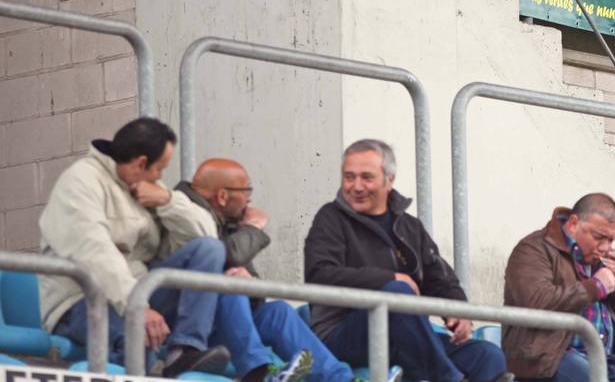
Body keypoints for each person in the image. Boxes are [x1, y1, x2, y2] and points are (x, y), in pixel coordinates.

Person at [38, 118, 246, 378]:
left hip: (138, 293)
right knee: (137, 343)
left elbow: (207, 236)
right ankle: (156, 369)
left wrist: (168, 201)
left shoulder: (147, 188)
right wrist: (137, 306)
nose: (160, 177)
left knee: (209, 250)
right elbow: (95, 252)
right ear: (140, 164)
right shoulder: (81, 181)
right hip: (83, 302)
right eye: (160, 169)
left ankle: (184, 353)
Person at [304, 139, 507, 382]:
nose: (356, 186)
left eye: (366, 177)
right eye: (349, 177)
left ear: (389, 180)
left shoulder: (410, 226)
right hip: (342, 334)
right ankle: (448, 379)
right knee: (396, 292)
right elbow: (320, 273)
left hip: (404, 339)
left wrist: (458, 309)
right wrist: (388, 280)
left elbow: (439, 276)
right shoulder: (330, 218)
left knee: (487, 355)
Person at [177, 158, 373, 382]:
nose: (250, 198)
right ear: (222, 196)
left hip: (225, 321)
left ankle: (341, 380)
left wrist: (249, 283)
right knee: (232, 286)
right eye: (246, 190)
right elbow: (228, 256)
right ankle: (259, 374)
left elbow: (252, 293)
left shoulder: (229, 222)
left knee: (278, 311)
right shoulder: (187, 214)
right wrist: (253, 228)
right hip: (193, 325)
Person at [502, 194, 615, 382]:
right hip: (550, 360)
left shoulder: (599, 259)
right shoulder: (534, 248)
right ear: (574, 224)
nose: (605, 247)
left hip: (606, 361)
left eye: (611, 240)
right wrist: (595, 287)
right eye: (599, 237)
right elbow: (537, 302)